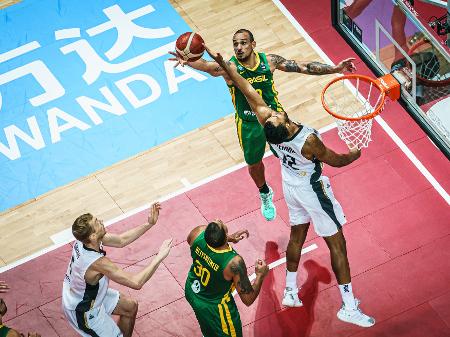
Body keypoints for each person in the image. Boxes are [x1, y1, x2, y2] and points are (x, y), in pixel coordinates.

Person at [204, 45, 375, 328]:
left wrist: (227, 66)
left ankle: (291, 291)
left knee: (298, 234)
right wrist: (354, 154)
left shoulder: (269, 125)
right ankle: (348, 305)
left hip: (289, 185)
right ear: (283, 126)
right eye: (275, 116)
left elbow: (247, 89)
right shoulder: (307, 141)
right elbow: (336, 161)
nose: (274, 113)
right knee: (338, 244)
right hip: (312, 189)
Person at [170, 29, 356, 222]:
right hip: (249, 123)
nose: (239, 48)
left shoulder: (270, 61)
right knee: (254, 164)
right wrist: (188, 58)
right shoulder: (229, 68)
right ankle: (265, 192)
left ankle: (306, 185)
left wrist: (335, 69)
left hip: (275, 119)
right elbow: (207, 66)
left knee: (296, 154)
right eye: (235, 44)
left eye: (243, 43)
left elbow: (303, 66)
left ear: (253, 44)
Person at [62, 202, 172, 337]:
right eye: (97, 222)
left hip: (83, 294)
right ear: (93, 236)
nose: (101, 221)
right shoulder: (97, 263)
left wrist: (149, 224)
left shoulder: (85, 241)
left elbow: (121, 240)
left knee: (130, 307)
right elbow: (136, 282)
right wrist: (159, 257)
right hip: (83, 310)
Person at [185, 220, 269, 337]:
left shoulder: (197, 233)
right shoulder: (233, 263)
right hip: (214, 307)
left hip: (192, 290)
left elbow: (199, 241)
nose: (218, 219)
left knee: (208, 329)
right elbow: (248, 299)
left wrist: (229, 238)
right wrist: (260, 275)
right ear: (224, 234)